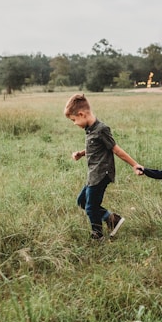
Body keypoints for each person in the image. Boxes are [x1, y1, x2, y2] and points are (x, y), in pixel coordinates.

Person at [64, 93, 142, 241]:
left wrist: (135, 165)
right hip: (93, 174)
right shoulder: (90, 129)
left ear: (81, 114)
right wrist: (81, 153)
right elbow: (96, 148)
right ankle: (112, 219)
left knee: (90, 207)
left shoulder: (101, 129)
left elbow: (116, 149)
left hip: (101, 174)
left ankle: (97, 235)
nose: (74, 123)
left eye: (74, 120)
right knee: (82, 201)